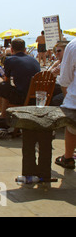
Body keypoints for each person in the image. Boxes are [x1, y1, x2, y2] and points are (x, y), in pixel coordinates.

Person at [0, 38, 41, 132]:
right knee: (6, 89)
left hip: (21, 98)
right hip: (34, 98)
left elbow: (7, 80)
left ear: (12, 49)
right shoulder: (35, 61)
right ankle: (4, 116)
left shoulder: (10, 59)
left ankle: (4, 116)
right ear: (25, 49)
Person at [55, 38, 76, 169]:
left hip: (74, 101)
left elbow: (65, 79)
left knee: (72, 128)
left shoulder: (73, 45)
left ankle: (68, 157)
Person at [48, 40, 69, 106]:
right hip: (63, 88)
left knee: (55, 99)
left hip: (70, 90)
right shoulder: (61, 63)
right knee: (47, 92)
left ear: (67, 51)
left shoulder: (70, 63)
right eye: (56, 51)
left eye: (59, 51)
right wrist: (55, 64)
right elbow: (48, 73)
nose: (56, 53)